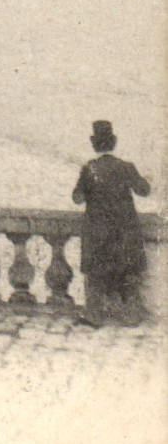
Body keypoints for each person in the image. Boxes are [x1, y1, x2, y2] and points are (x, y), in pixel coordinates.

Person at [73, 120, 152, 325]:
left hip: (98, 233)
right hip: (124, 233)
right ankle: (131, 316)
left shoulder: (89, 169)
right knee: (128, 274)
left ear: (93, 142)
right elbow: (144, 190)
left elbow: (77, 198)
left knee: (96, 276)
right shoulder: (126, 167)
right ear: (114, 141)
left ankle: (94, 316)